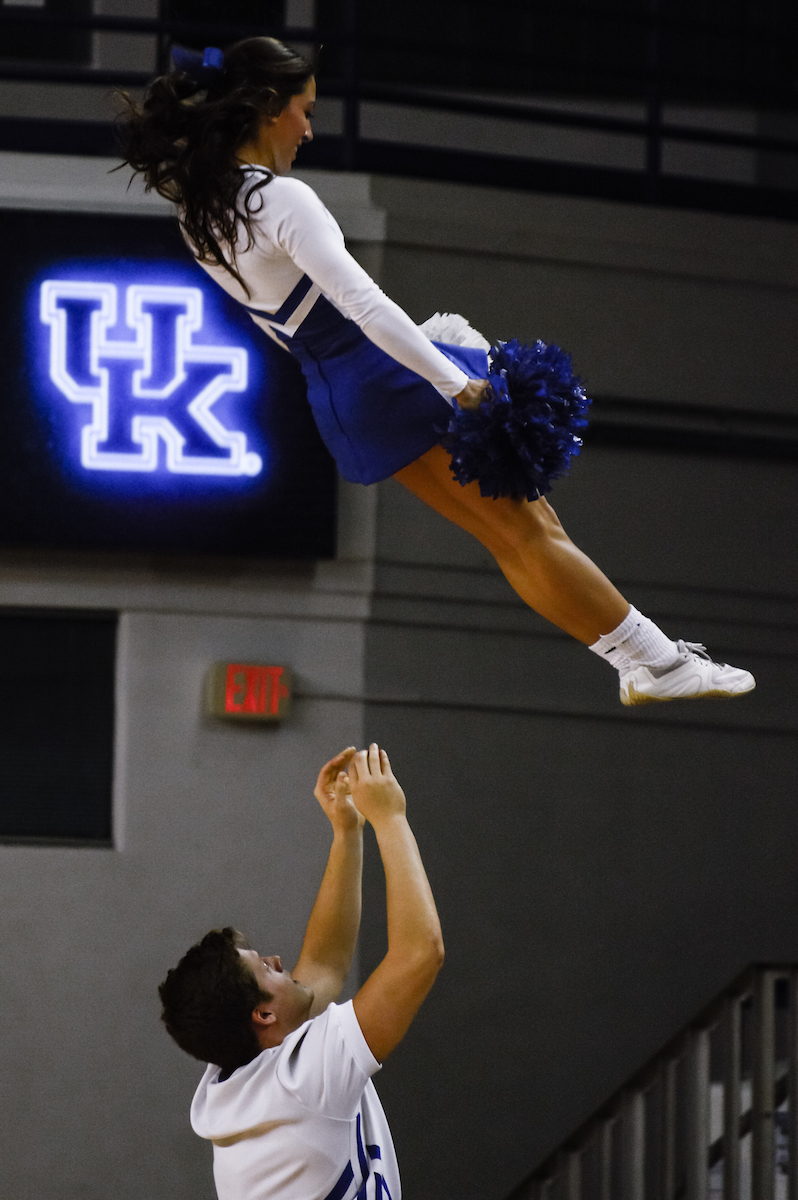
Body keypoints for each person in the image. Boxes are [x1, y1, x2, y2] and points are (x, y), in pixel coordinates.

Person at [118, 37, 755, 708]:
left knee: (509, 542)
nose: (310, 127)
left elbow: (281, 325)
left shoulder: (200, 214)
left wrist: (407, 356)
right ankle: (661, 661)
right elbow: (362, 305)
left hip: (342, 398)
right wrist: (455, 382)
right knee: (535, 533)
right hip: (387, 382)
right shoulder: (283, 200)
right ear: (268, 108)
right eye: (305, 110)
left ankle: (636, 663)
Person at [159, 744, 442, 1200]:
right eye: (263, 969)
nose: (276, 960)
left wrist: (347, 831)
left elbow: (324, 965)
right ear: (263, 1016)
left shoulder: (240, 1071)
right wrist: (391, 818)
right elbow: (419, 955)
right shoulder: (301, 1085)